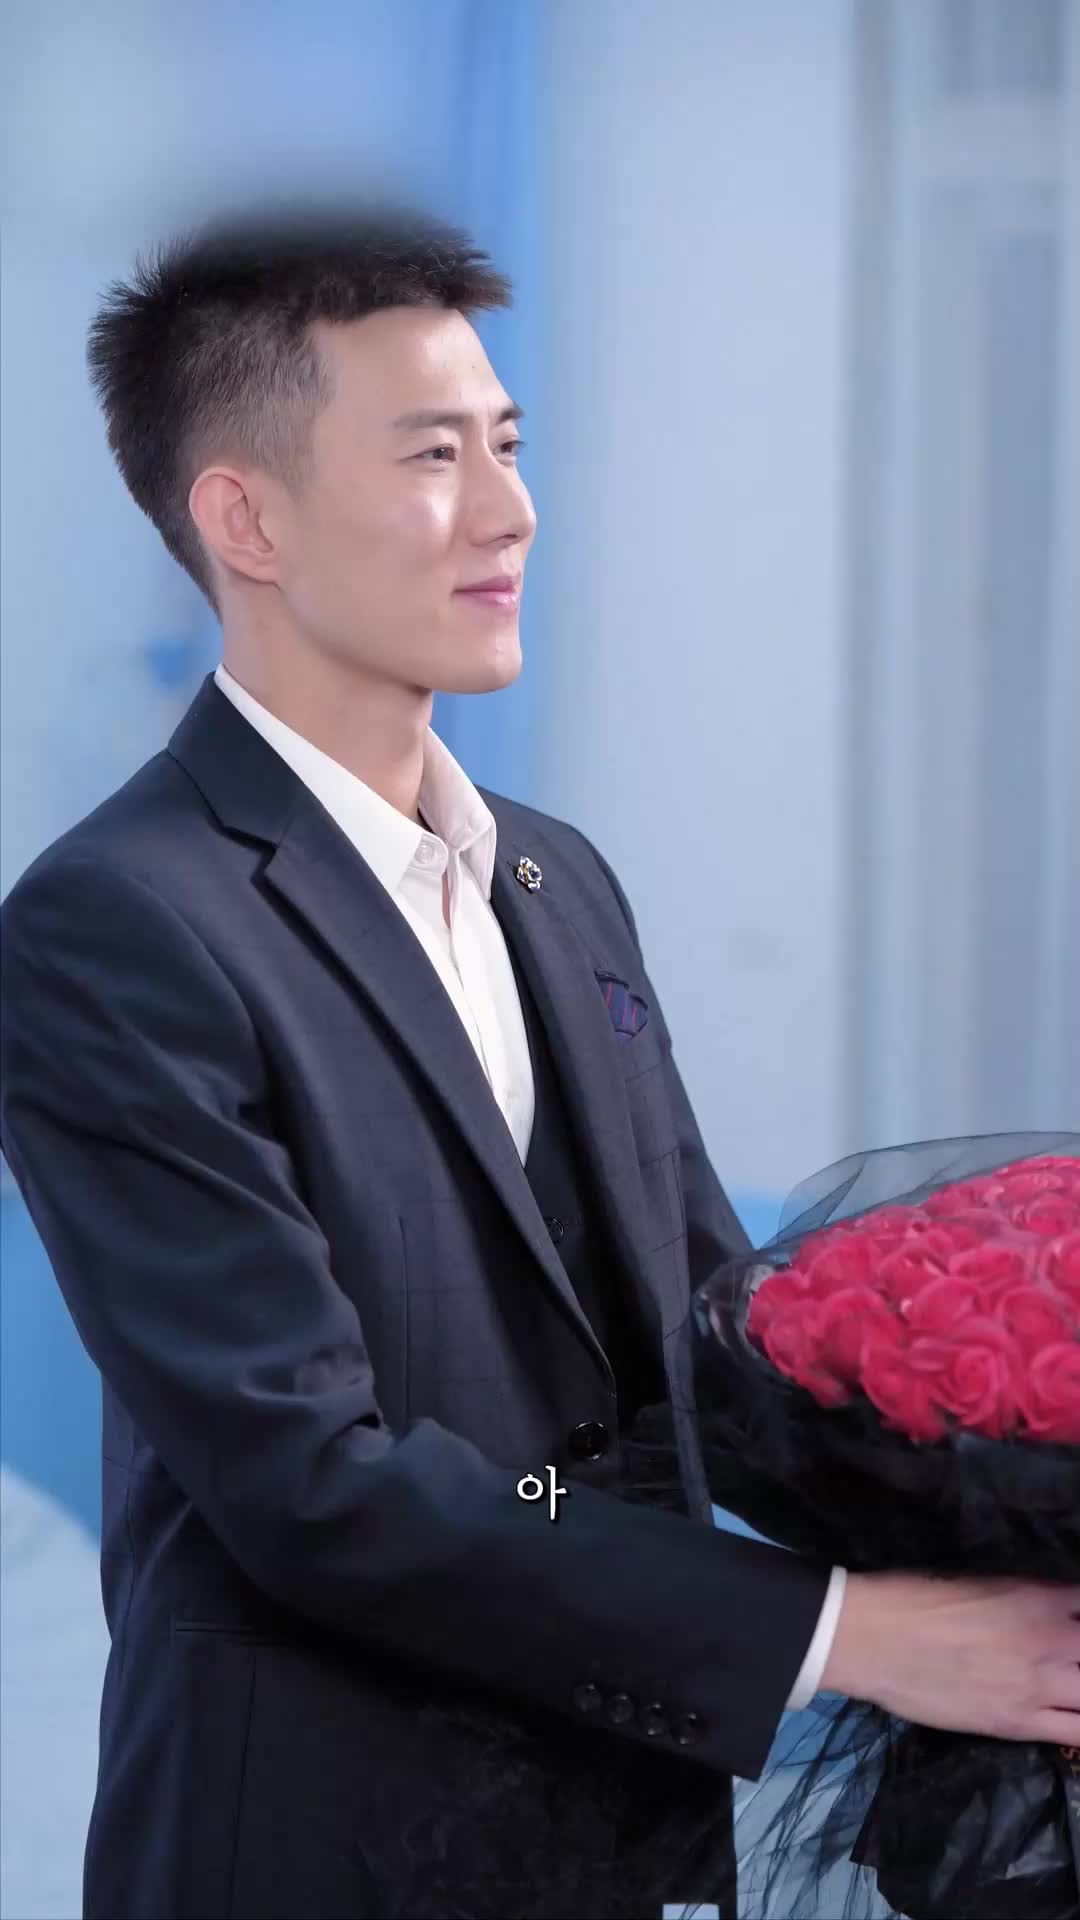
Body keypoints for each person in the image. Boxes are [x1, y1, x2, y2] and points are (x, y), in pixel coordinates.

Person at [1, 198, 1076, 1920]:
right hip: (318, 1856)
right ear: (244, 518)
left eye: (507, 445)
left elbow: (714, 1349)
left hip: (617, 1837)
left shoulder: (556, 879)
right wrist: (855, 1634)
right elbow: (312, 1480)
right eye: (433, 456)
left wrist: (1003, 1466)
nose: (510, 510)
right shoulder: (116, 926)